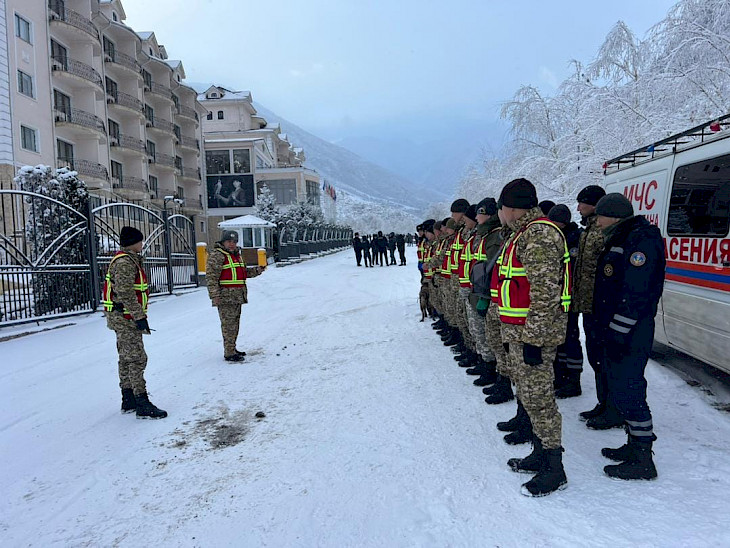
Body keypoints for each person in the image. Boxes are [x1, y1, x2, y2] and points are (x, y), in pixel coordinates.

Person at [495, 178, 571, 497]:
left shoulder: (539, 234)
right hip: (521, 334)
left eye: (500, 208)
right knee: (528, 395)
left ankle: (554, 468)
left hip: (533, 337)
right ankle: (540, 453)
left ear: (511, 208)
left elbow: (544, 292)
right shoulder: (523, 234)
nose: (499, 214)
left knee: (540, 400)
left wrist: (534, 341)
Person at [593, 193, 665, 480]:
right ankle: (633, 445)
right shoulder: (621, 237)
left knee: (630, 388)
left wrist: (619, 330)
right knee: (622, 386)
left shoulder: (640, 240)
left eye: (599, 215)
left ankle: (643, 458)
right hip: (617, 329)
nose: (596, 221)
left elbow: (636, 292)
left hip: (631, 331)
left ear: (613, 215)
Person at [102, 226, 167, 419]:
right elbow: (125, 293)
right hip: (125, 317)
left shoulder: (127, 260)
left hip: (121, 315)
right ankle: (141, 402)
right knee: (137, 358)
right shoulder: (125, 263)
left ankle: (128, 397)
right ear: (133, 243)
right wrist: (139, 316)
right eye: (140, 241)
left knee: (126, 357)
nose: (142, 244)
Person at [572, 185, 622, 429]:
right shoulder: (589, 230)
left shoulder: (602, 232)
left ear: (594, 204)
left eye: (582, 202)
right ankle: (603, 403)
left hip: (600, 305)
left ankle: (613, 408)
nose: (578, 207)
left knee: (605, 358)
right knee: (596, 357)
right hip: (589, 304)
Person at [206, 230, 264, 362]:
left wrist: (257, 271)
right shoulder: (217, 255)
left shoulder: (236, 255)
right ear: (223, 242)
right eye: (229, 241)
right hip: (225, 297)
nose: (232, 244)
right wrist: (214, 296)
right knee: (228, 325)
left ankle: (232, 348)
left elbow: (243, 273)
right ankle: (229, 352)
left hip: (237, 296)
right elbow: (211, 278)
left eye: (234, 242)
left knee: (234, 324)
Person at [547, 204, 584, 398]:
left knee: (570, 338)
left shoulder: (572, 239)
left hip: (567, 299)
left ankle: (574, 379)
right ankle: (560, 375)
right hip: (557, 298)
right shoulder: (559, 236)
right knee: (559, 339)